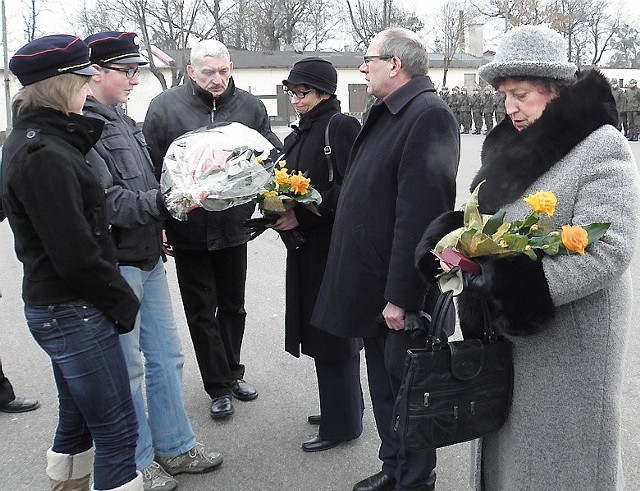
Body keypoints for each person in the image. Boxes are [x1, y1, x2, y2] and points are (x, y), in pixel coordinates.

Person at [416, 24, 640, 491]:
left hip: (571, 344)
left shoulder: (601, 147)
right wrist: (453, 239)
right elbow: (495, 220)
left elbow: (609, 251)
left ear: (555, 89)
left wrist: (514, 288)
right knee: (511, 458)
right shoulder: (515, 144)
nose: (509, 108)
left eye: (520, 94)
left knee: (563, 465)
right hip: (512, 337)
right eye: (503, 96)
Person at [312, 28, 460, 491]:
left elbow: (421, 216)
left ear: (394, 64)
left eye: (367, 59)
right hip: (372, 283)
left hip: (394, 291)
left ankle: (415, 480)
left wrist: (401, 296)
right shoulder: (390, 111)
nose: (361, 67)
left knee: (408, 392)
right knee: (385, 387)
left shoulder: (428, 115)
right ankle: (393, 466)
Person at [1, 35, 142, 490]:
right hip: (72, 308)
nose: (93, 82)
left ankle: (68, 484)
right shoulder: (45, 153)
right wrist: (122, 301)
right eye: (85, 77)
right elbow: (74, 251)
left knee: (78, 421)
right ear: (61, 84)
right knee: (118, 431)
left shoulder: (37, 139)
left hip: (63, 307)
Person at [83, 31, 223, 490]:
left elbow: (142, 181)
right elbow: (111, 202)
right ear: (95, 72)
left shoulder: (121, 120)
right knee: (132, 369)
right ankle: (138, 461)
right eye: (126, 72)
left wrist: (161, 221)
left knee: (167, 357)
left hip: (146, 255)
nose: (135, 79)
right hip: (117, 262)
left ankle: (176, 447)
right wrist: (172, 202)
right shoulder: (84, 125)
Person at [142, 39, 281, 419]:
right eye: (208, 73)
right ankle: (217, 386)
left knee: (233, 304)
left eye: (223, 71)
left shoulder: (249, 106)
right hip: (189, 226)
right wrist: (161, 222)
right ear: (191, 72)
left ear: (231, 67)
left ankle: (233, 371)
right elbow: (152, 167)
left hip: (235, 224)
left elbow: (271, 154)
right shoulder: (165, 107)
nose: (217, 80)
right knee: (202, 308)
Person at [272, 57, 364, 452]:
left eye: (303, 92)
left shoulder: (339, 126)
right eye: (292, 92)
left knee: (333, 334)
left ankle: (342, 424)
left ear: (325, 92)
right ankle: (340, 408)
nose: (296, 99)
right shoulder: (303, 130)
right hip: (309, 249)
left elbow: (353, 188)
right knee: (319, 329)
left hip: (331, 247)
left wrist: (304, 215)